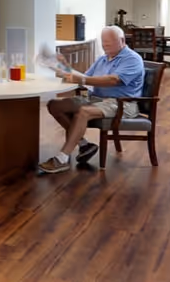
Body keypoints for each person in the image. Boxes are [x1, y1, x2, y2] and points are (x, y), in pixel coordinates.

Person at [39, 26, 145, 174]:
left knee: (84, 112)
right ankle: (84, 145)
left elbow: (113, 80)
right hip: (96, 99)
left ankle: (62, 158)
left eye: (109, 42)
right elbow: (84, 78)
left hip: (122, 103)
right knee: (55, 105)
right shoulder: (102, 59)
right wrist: (64, 66)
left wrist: (82, 79)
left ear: (122, 41)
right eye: (103, 42)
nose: (105, 45)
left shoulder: (132, 59)